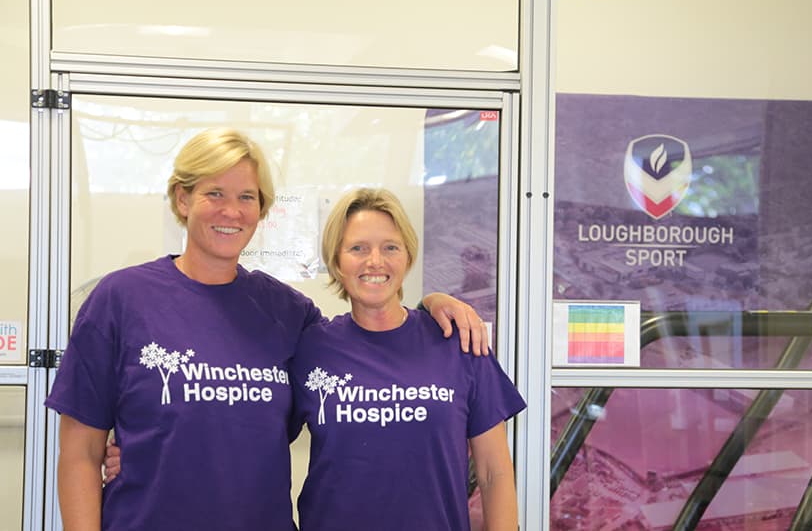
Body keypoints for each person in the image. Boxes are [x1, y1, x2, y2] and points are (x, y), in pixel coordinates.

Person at [44, 127, 489, 531]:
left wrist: (432, 305)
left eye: (247, 198)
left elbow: (368, 342)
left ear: (261, 210)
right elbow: (81, 453)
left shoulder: (287, 312)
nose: (231, 211)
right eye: (214, 193)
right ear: (182, 199)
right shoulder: (122, 300)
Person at [290, 188, 526, 530]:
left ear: (407, 257)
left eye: (390, 247)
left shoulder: (457, 340)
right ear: (337, 261)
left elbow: (494, 472)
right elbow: (259, 439)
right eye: (358, 248)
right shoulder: (311, 349)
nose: (375, 261)